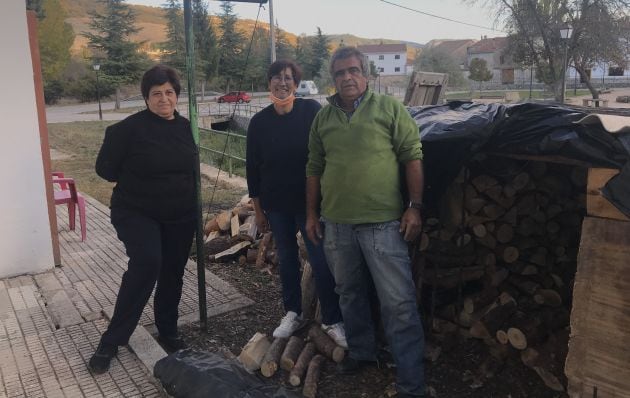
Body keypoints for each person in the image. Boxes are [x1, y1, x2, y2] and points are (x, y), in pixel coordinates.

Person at [305, 47, 426, 398]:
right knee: (349, 293)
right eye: (340, 73)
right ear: (333, 78)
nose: (347, 77)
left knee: (399, 304)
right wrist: (312, 213)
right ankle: (362, 352)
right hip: (337, 225)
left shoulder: (389, 109)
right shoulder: (323, 118)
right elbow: (313, 167)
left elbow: (413, 156)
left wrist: (414, 206)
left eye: (354, 70)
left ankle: (411, 383)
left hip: (383, 225)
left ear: (366, 74)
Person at [88, 65, 197, 374]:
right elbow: (105, 170)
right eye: (156, 93)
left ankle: (168, 328)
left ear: (177, 95)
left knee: (173, 270)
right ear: (146, 97)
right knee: (148, 262)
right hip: (136, 211)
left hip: (179, 214)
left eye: (169, 92)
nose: (164, 98)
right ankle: (112, 339)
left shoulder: (186, 126)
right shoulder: (127, 130)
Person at [246, 60, 346, 347]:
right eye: (277, 77)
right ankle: (292, 312)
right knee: (287, 260)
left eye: (288, 78)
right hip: (276, 206)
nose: (283, 82)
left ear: (296, 83)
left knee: (320, 261)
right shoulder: (259, 122)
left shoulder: (311, 111)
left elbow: (330, 150)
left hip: (311, 204)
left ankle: (332, 318)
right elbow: (253, 169)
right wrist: (258, 209)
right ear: (269, 83)